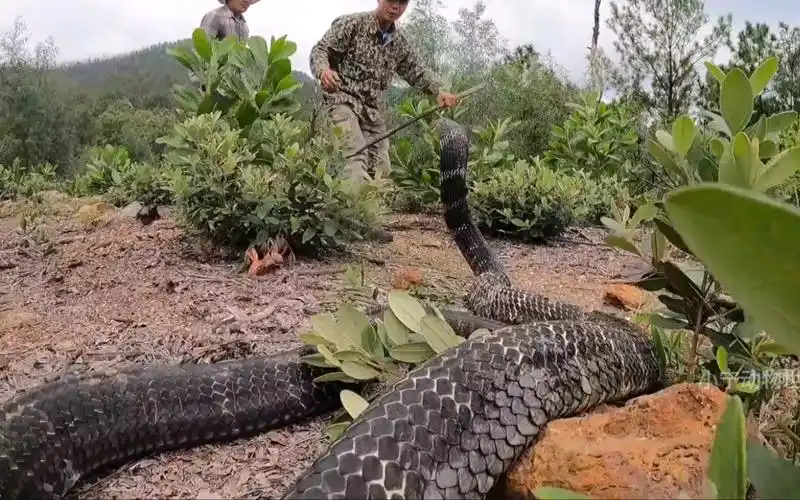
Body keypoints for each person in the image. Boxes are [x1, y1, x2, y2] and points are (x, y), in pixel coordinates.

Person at [310, 0, 459, 243]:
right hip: (342, 101)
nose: (396, 7)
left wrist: (439, 90)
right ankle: (353, 222)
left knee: (382, 168)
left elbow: (418, 70)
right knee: (353, 156)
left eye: (403, 2)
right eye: (391, 0)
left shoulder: (399, 42)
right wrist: (324, 72)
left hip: (371, 110)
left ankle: (368, 220)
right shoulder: (352, 24)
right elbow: (320, 50)